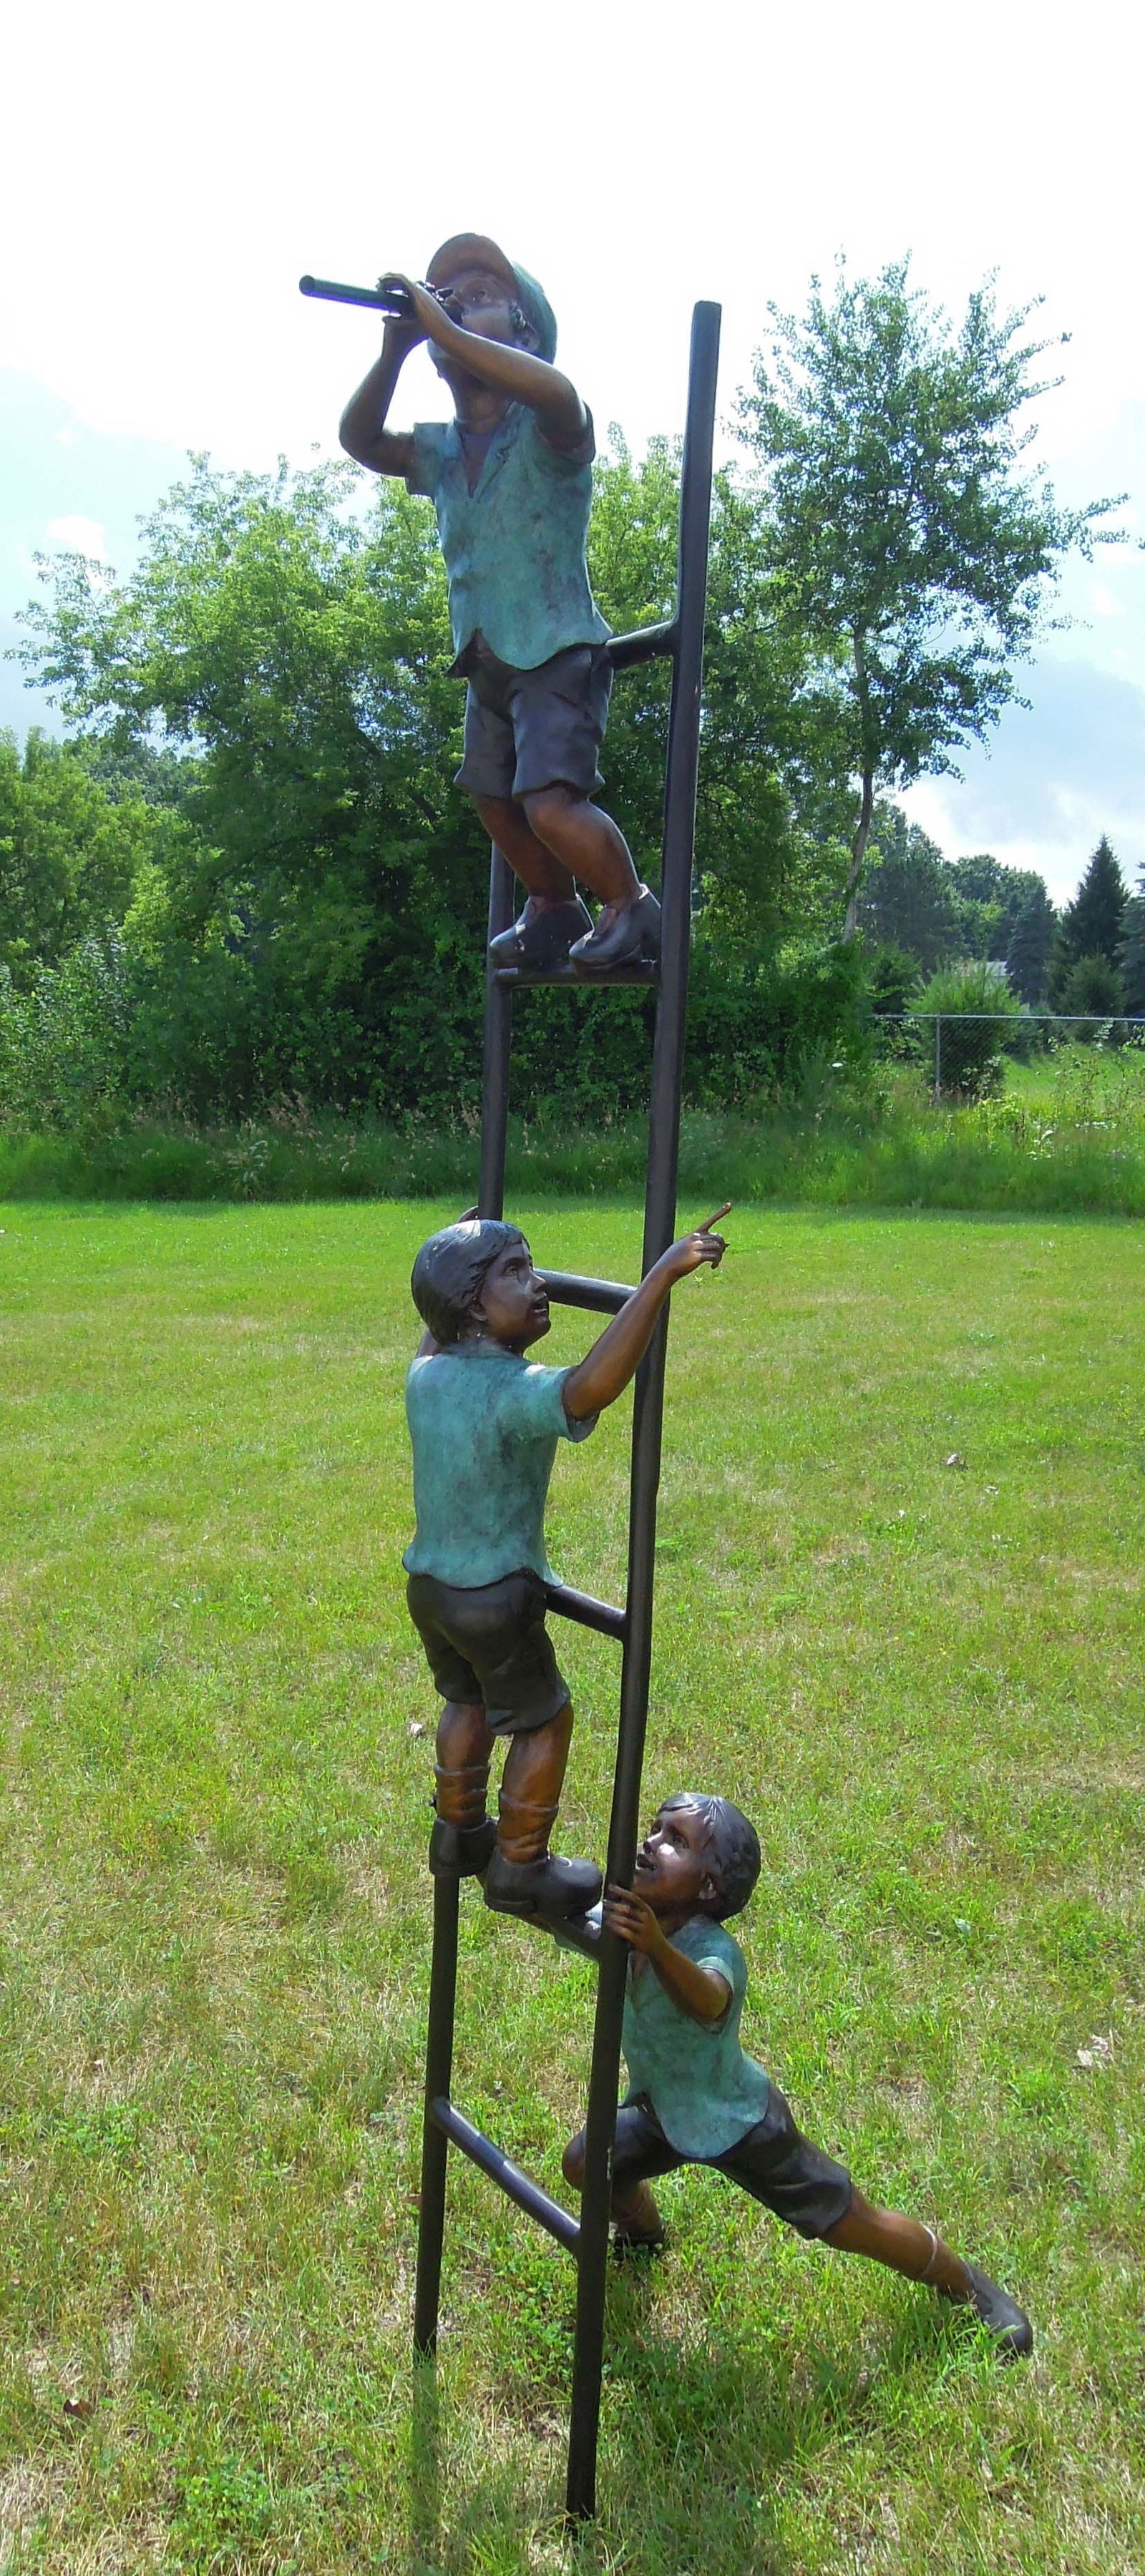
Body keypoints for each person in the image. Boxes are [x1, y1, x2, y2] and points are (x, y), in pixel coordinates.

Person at [552, 1793, 1033, 2359]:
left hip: (738, 2121)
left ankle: (965, 2283)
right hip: (663, 2111)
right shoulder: (630, 1925)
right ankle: (642, 2233)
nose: (650, 1842)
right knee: (588, 2162)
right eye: (656, 1829)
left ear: (708, 1886)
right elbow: (556, 1913)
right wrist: (503, 1863)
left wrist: (655, 1944)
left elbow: (708, 2000)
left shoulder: (710, 1949)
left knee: (846, 2219)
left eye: (675, 1840)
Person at [339, 232, 659, 975]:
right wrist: (395, 350)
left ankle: (630, 904)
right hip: (486, 660)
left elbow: (556, 391)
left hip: (555, 652)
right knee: (494, 801)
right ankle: (553, 909)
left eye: (480, 296)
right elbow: (360, 438)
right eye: (447, 295)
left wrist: (442, 327)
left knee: (549, 802)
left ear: (525, 333)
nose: (454, 305)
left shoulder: (551, 421)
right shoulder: (441, 449)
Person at [404, 1210, 729, 1918]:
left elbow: (432, 1334)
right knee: (543, 1722)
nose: (538, 1282)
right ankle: (520, 1865)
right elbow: (590, 1386)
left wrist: (450, 1250)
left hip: (429, 1588)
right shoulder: (512, 1389)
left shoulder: (425, 1375)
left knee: (465, 1700)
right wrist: (659, 1279)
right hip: (494, 1593)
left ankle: (456, 1831)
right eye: (515, 1272)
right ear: (472, 1308)